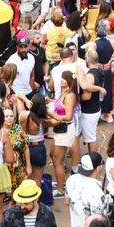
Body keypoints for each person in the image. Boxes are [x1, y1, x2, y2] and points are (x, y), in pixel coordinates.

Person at [66, 152, 109, 227]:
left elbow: (67, 201)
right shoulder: (97, 193)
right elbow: (100, 224)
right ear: (98, 168)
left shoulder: (71, 179)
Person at [50, 70, 78, 199]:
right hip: (59, 129)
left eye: (64, 79)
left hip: (65, 130)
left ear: (70, 81)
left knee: (58, 161)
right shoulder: (64, 93)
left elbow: (68, 115)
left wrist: (53, 117)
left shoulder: (70, 95)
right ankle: (61, 182)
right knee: (53, 155)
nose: (61, 80)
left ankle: (61, 190)